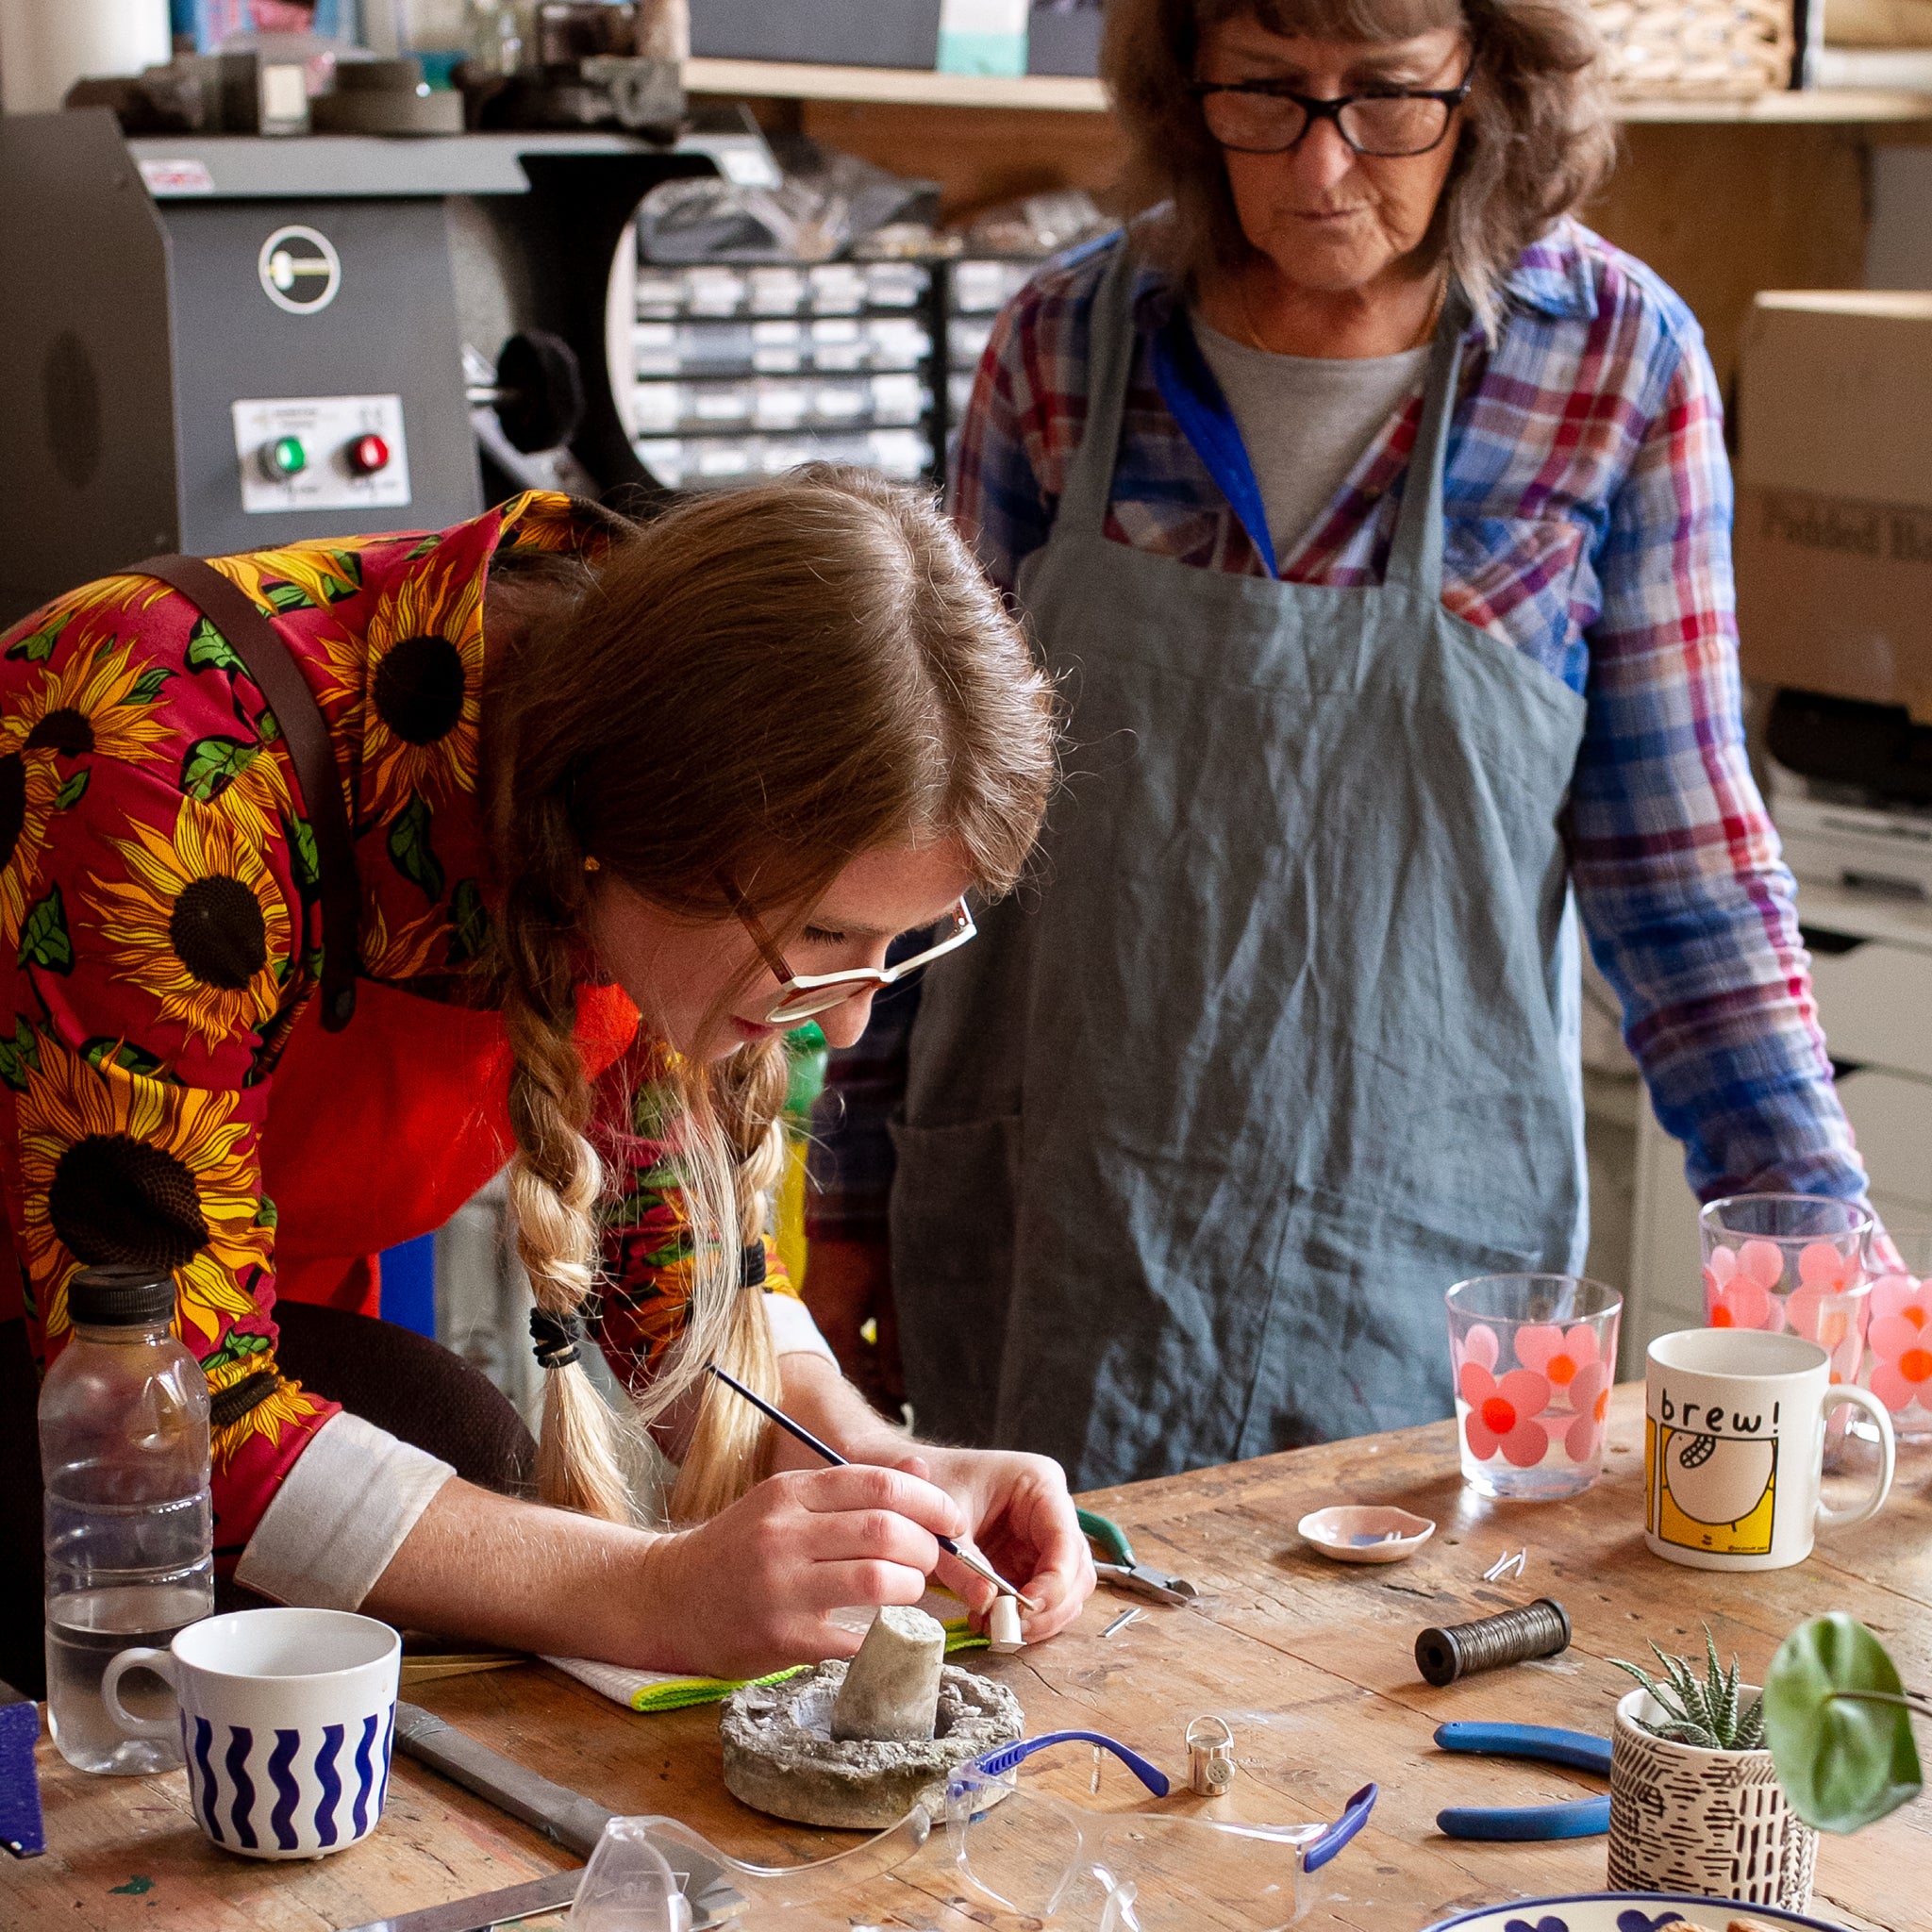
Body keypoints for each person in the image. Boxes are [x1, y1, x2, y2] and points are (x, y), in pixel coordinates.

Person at [805, 0, 1872, 1485]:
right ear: (1190, 83)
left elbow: (1681, 871)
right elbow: (924, 830)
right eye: (1265, 97)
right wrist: (843, 1203)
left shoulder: (1613, 366)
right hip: (1067, 1228)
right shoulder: (1063, 347)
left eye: (1385, 102)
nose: (1321, 168)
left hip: (1415, 1255)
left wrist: (1819, 1245)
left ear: (1487, 87)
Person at [0, 472, 1092, 1678]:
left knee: (448, 1458)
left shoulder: (624, 800)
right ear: (639, 834)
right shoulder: (166, 774)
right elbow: (170, 1409)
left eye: (903, 940)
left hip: (236, 1335)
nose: (839, 1031)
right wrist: (648, 1591)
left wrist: (874, 1460)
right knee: (444, 1446)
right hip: (79, 1373)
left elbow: (661, 1274)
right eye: (822, 939)